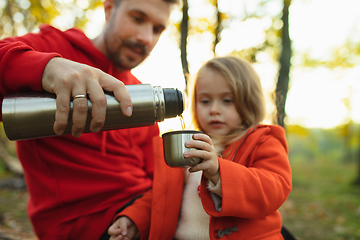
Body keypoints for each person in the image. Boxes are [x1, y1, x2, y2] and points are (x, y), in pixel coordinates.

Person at [0, 0, 179, 239]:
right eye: (137, 18)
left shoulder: (140, 93)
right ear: (109, 10)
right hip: (86, 225)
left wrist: (142, 215)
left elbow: (159, 178)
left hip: (141, 216)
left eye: (157, 29)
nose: (146, 37)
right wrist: (48, 68)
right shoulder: (54, 49)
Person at [108, 56, 293, 240]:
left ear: (249, 102)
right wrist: (133, 220)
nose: (214, 109)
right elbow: (163, 198)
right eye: (205, 101)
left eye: (227, 100)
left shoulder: (263, 141)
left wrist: (219, 172)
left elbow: (272, 189)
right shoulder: (189, 144)